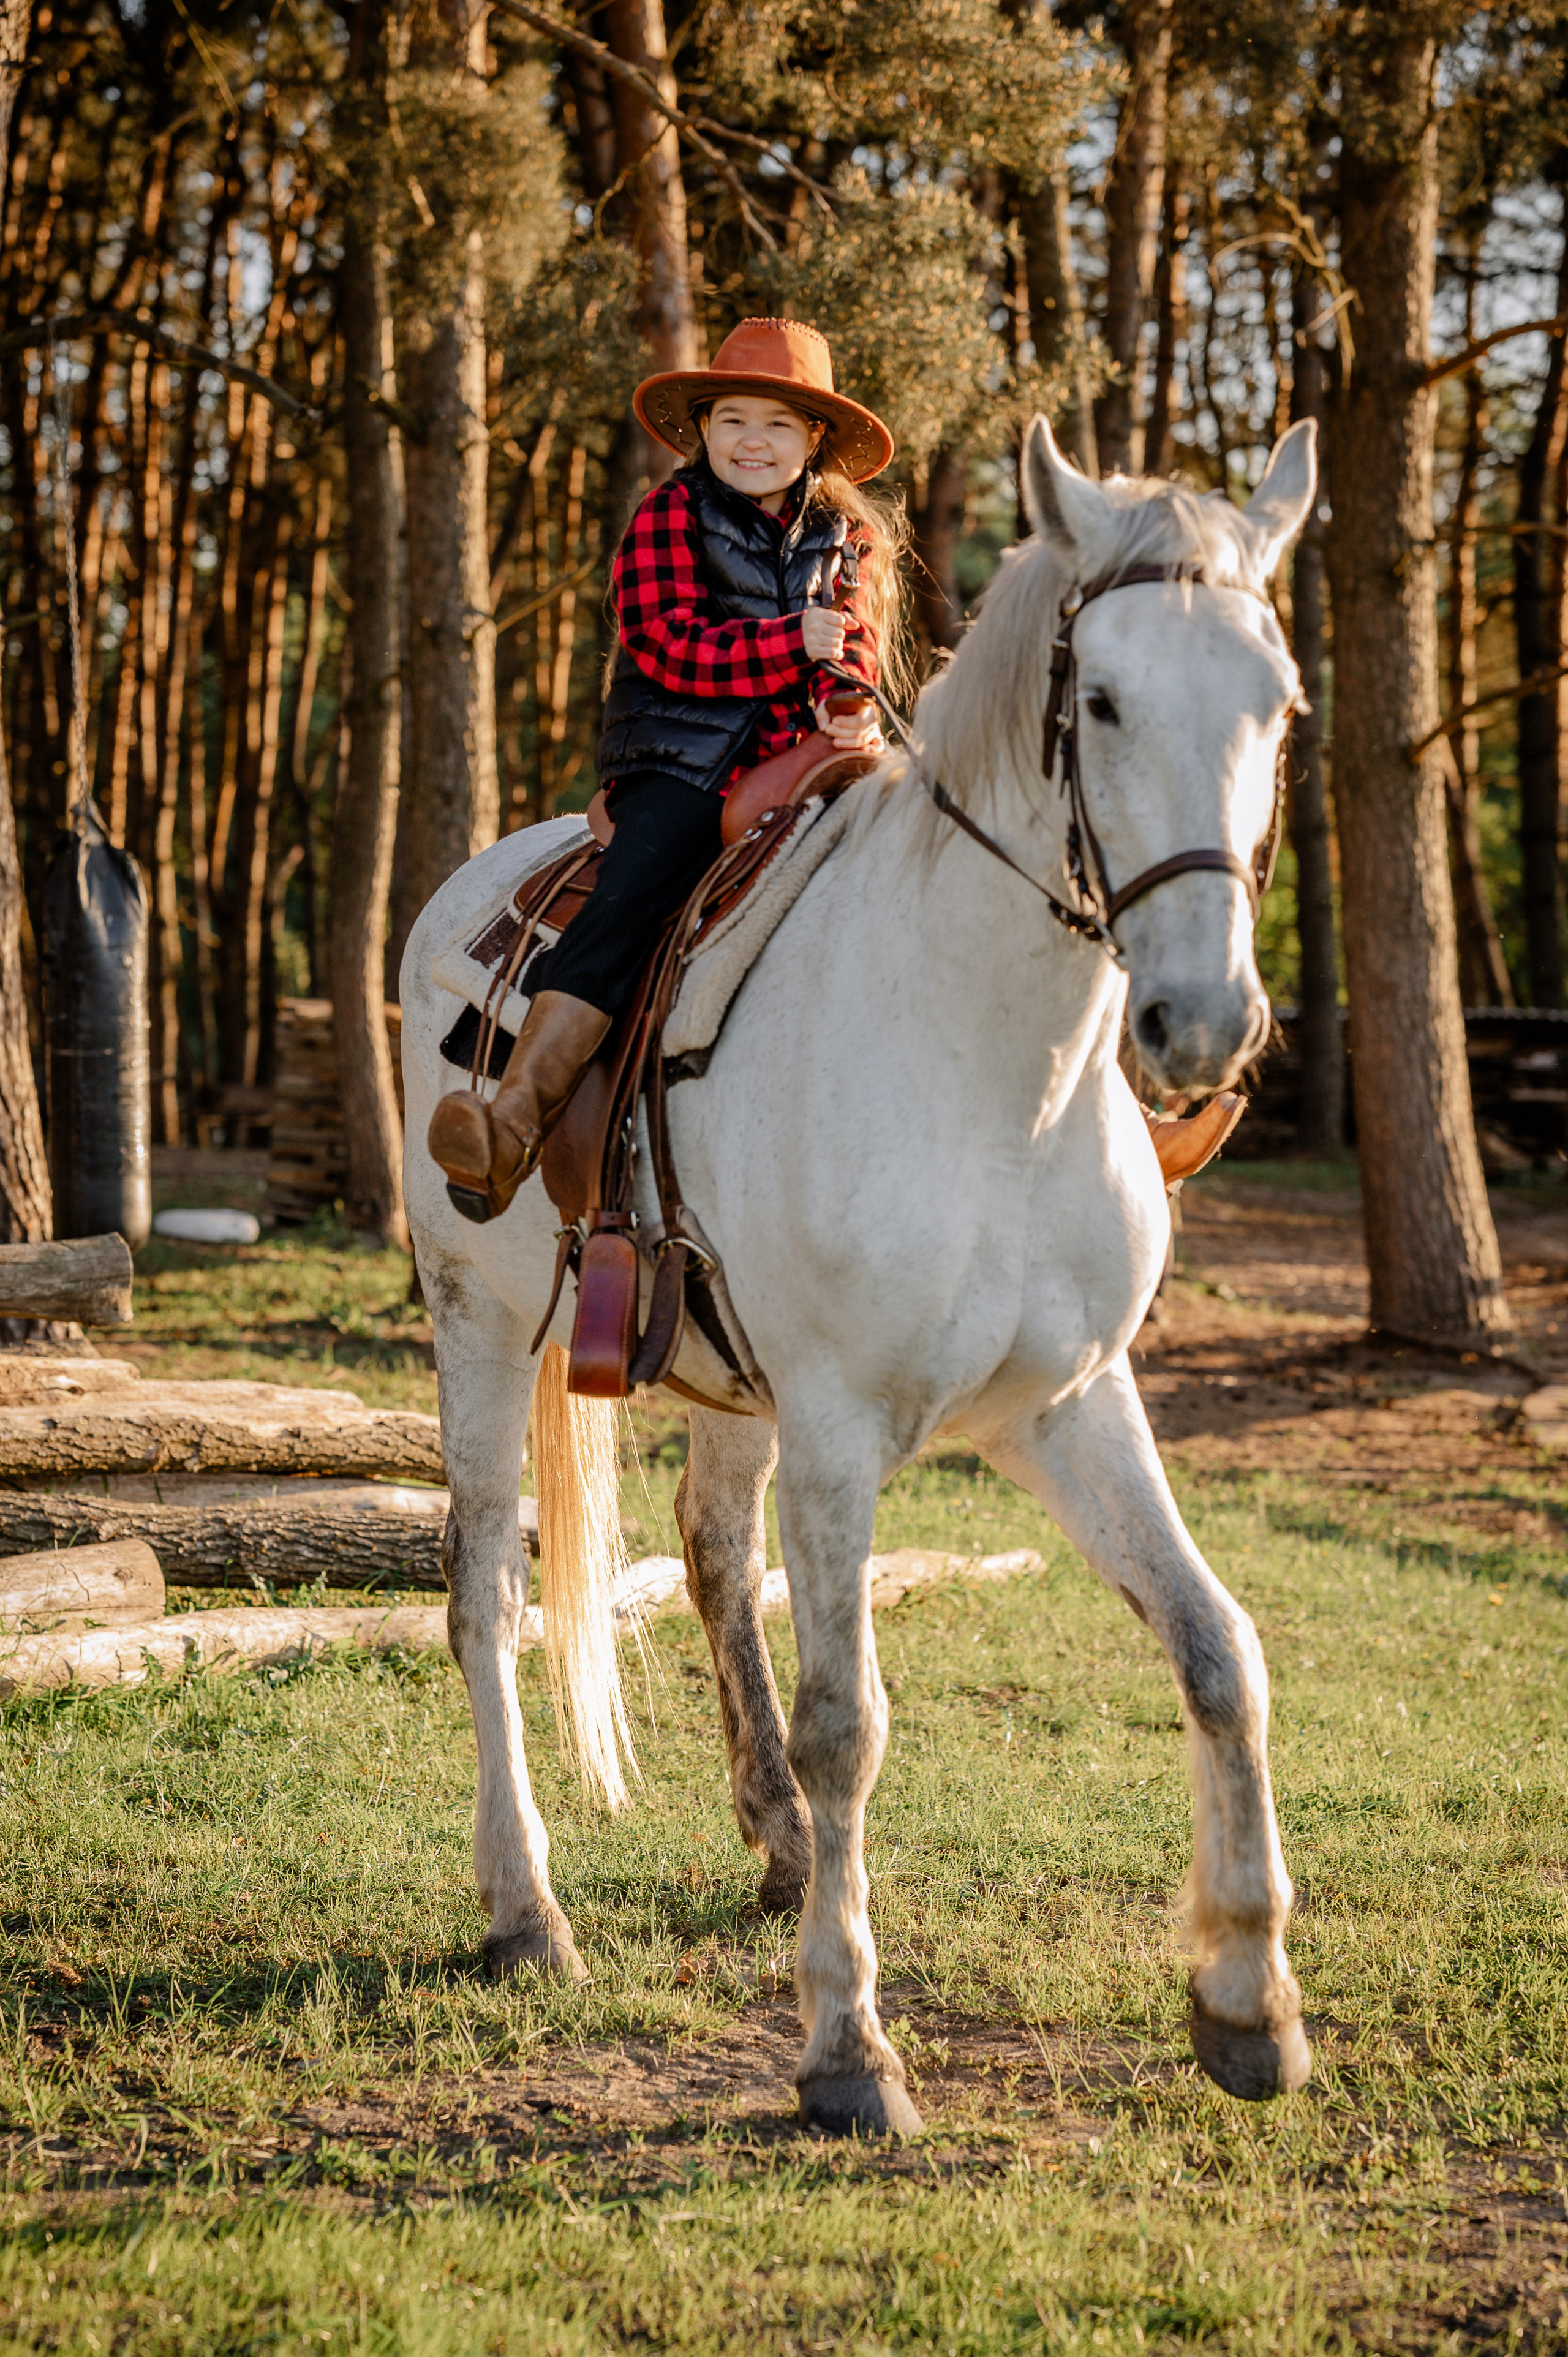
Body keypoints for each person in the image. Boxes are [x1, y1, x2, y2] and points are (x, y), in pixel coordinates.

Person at [429, 317, 905, 1222]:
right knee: (636, 890)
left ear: (813, 441)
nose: (752, 442)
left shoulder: (846, 537)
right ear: (705, 432)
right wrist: (784, 644)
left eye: (776, 424)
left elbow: (856, 645)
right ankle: (515, 1121)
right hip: (684, 756)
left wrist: (849, 697)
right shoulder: (669, 514)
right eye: (733, 421)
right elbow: (665, 642)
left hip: (809, 760)